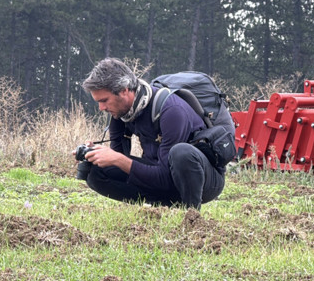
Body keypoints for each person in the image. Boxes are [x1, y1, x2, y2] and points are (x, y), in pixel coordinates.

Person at [78, 57, 224, 209]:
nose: (101, 108)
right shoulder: (120, 113)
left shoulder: (172, 111)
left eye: (104, 100)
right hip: (161, 174)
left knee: (181, 153)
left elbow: (165, 176)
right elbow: (117, 164)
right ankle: (160, 207)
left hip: (202, 179)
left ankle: (191, 214)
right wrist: (94, 154)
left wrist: (118, 159)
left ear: (124, 90)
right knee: (94, 171)